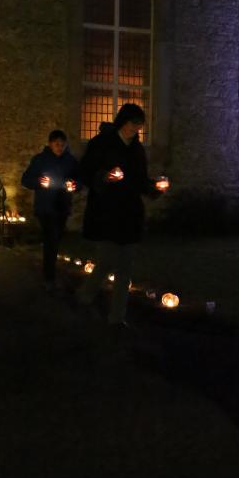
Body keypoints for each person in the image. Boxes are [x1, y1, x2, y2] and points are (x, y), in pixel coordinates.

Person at [77, 103, 168, 327]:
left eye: (138, 126)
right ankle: (84, 296)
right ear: (122, 121)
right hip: (105, 212)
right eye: (131, 124)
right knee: (106, 261)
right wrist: (104, 177)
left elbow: (140, 181)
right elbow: (85, 173)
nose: (134, 129)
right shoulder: (100, 144)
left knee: (125, 267)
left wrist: (155, 187)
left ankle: (117, 317)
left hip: (129, 214)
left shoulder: (137, 150)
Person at [21, 129, 80, 291]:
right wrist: (38, 181)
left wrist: (75, 185)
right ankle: (49, 277)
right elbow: (25, 179)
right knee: (51, 240)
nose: (59, 147)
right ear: (50, 144)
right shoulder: (40, 160)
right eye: (56, 144)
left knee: (55, 240)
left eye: (62, 144)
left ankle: (50, 271)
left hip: (62, 206)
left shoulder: (70, 161)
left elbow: (79, 179)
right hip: (45, 207)